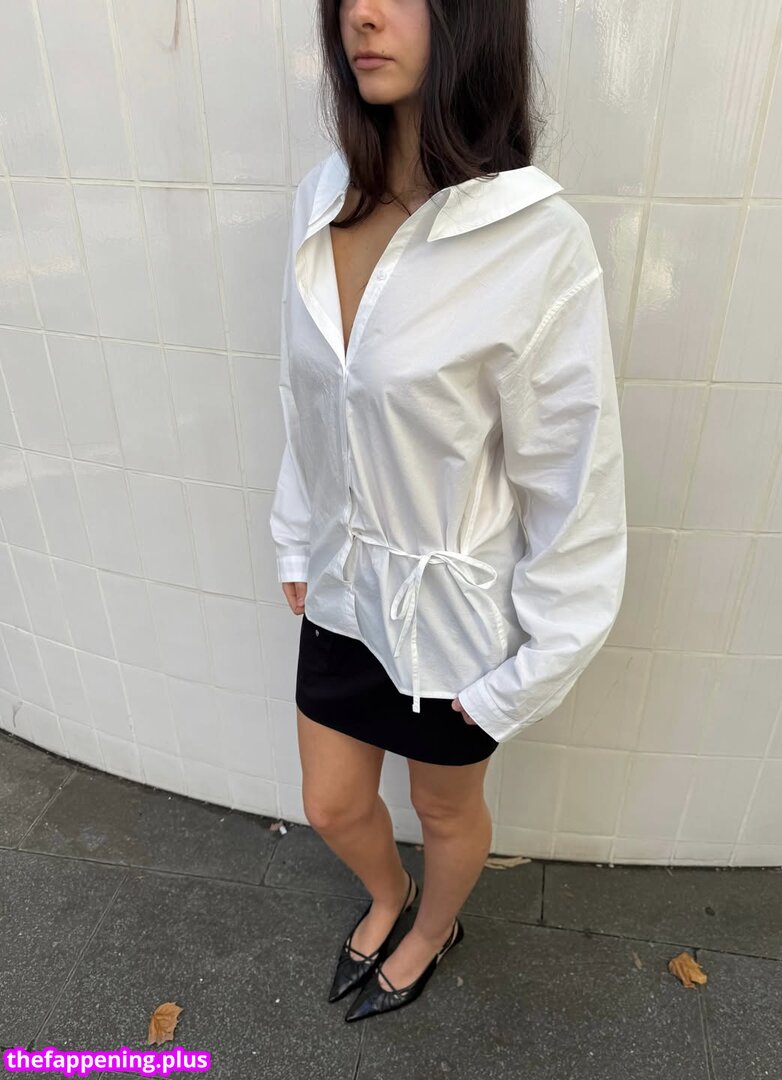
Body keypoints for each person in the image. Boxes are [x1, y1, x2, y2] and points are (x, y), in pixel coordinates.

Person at [269, 0, 627, 1022]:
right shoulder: (321, 201)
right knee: (332, 801)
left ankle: (433, 928)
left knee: (442, 805)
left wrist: (534, 665)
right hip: (344, 583)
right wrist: (296, 535)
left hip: (454, 616)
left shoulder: (534, 239)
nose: (361, 14)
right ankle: (388, 895)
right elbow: (307, 399)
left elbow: (574, 471)